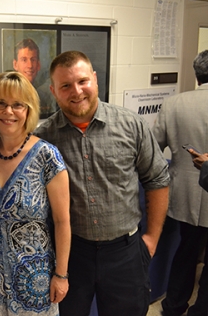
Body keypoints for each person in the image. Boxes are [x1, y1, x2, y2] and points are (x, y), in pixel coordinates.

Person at [35, 50, 170, 316]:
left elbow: (157, 178)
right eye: (65, 85)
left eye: (82, 81)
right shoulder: (44, 137)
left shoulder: (130, 125)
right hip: (71, 256)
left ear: (95, 79)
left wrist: (151, 240)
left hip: (126, 253)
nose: (77, 91)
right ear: (53, 90)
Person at [0, 71, 71, 315]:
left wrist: (61, 275)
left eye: (17, 105)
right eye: (0, 103)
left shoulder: (47, 156)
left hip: (33, 279)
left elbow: (63, 221)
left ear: (28, 110)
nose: (8, 112)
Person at [152, 49, 208, 316]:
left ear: (197, 75)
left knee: (185, 251)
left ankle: (173, 306)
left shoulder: (173, 104)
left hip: (184, 194)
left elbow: (153, 148)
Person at [12, 38, 58, 118]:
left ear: (38, 65)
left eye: (33, 60)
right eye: (24, 60)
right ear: (15, 64)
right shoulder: (9, 93)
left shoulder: (45, 95)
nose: (30, 66)